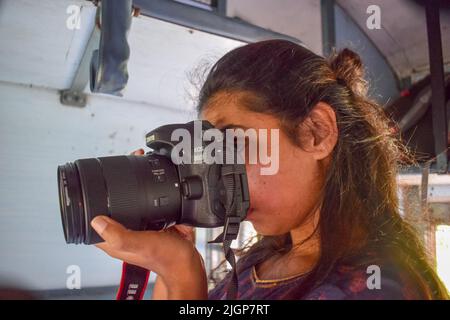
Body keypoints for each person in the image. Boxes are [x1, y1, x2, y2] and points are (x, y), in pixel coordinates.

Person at [90, 39, 449, 300]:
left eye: (233, 144)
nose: (217, 171)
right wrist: (170, 264)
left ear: (316, 132)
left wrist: (185, 276)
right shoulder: (266, 258)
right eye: (211, 152)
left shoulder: (374, 289)